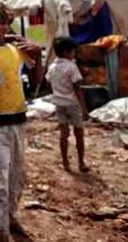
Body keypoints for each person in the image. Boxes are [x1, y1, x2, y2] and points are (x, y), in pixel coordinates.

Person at [0, 2, 41, 242]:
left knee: (16, 177)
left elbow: (36, 80)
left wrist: (37, 54)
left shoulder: (18, 49)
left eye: (3, 22)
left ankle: (11, 217)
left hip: (18, 120)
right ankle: (0, 230)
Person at [46, 36, 90, 173]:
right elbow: (77, 89)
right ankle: (81, 162)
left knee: (63, 134)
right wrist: (84, 109)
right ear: (66, 53)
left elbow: (49, 83)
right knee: (78, 133)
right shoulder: (72, 67)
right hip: (72, 103)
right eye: (73, 52)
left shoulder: (52, 66)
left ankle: (65, 162)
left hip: (59, 103)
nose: (74, 54)